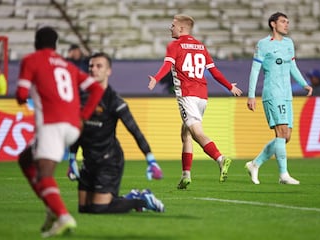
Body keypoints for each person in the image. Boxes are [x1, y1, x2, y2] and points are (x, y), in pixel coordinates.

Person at [16, 27, 104, 237]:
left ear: (36, 43)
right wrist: (84, 116)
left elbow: (20, 94)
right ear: (56, 45)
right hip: (74, 126)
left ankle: (63, 216)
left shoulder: (32, 60)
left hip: (52, 124)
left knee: (45, 173)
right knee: (25, 160)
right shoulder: (68, 66)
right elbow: (97, 89)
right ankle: (51, 207)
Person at [148, 14, 243, 189]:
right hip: (202, 96)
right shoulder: (200, 46)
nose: (170, 28)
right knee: (186, 133)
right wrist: (229, 86)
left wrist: (155, 78)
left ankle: (220, 159)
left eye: (173, 25)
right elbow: (214, 72)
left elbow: (167, 66)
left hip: (187, 95)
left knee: (197, 132)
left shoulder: (174, 45)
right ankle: (186, 175)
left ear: (182, 28)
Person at [68, 52, 164, 214]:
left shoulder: (113, 100)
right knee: (84, 209)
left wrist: (151, 160)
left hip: (109, 160)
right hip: (89, 159)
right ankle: (131, 196)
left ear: (108, 71)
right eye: (91, 66)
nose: (94, 70)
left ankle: (142, 200)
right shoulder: (81, 97)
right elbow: (79, 130)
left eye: (99, 66)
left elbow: (134, 130)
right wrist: (72, 159)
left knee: (99, 209)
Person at [245, 12, 313, 185]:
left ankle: (255, 164)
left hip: (286, 94)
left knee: (286, 137)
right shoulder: (263, 44)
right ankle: (283, 175)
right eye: (283, 22)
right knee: (281, 133)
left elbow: (293, 66)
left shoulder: (289, 44)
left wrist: (303, 83)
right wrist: (251, 95)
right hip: (272, 94)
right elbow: (255, 71)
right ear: (273, 24)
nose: (286, 24)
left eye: (288, 22)